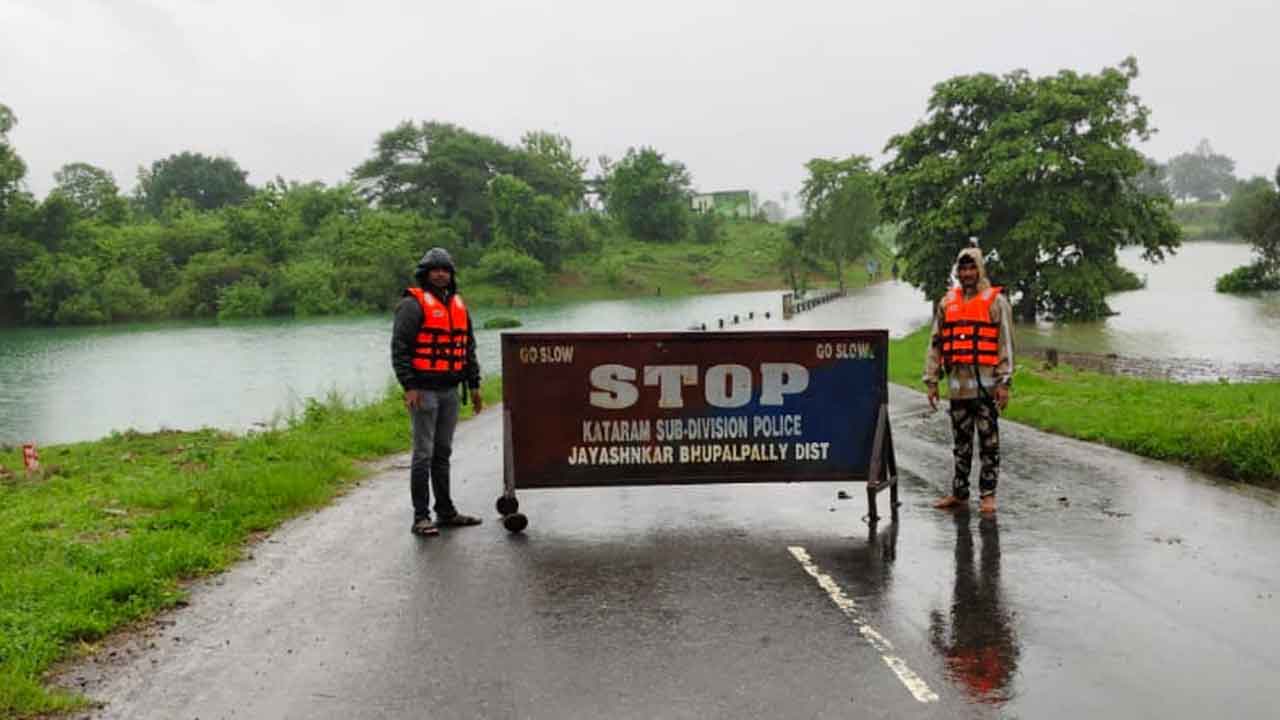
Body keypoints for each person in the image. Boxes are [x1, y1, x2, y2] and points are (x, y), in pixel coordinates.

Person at [391, 247, 484, 536]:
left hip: (450, 390)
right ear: (426, 274)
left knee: (442, 452)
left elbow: (467, 348)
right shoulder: (412, 304)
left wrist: (474, 384)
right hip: (424, 392)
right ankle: (421, 516)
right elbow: (400, 348)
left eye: (445, 269)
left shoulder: (458, 304)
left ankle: (446, 512)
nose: (441, 273)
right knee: (423, 454)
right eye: (435, 269)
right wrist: (409, 386)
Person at [923, 246, 1014, 513]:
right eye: (962, 269)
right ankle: (959, 493)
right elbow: (936, 344)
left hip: (986, 389)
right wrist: (931, 380)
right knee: (960, 445)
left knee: (989, 443)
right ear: (958, 272)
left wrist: (1004, 382)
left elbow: (1004, 344)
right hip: (958, 390)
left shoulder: (996, 302)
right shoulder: (946, 303)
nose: (967, 273)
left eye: (971, 268)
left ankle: (988, 495)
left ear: (980, 269)